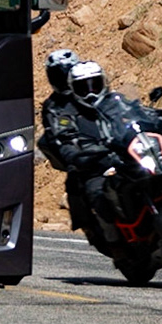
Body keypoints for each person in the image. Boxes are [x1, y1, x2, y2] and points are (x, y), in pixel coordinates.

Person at [39, 57, 121, 236]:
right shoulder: (58, 108)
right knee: (92, 189)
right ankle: (110, 236)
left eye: (95, 85)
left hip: (123, 154)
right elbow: (61, 135)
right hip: (93, 162)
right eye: (84, 88)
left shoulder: (115, 101)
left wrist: (160, 118)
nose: (91, 93)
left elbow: (135, 114)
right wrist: (72, 153)